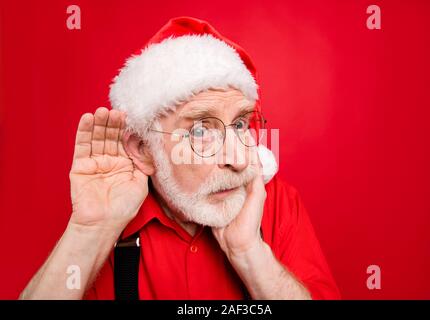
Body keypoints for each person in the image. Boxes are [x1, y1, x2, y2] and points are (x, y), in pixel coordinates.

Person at [20, 16, 340, 300]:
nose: (238, 158)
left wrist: (248, 253)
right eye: (201, 130)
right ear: (144, 150)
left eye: (240, 124)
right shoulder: (110, 217)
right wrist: (89, 232)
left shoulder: (277, 203)